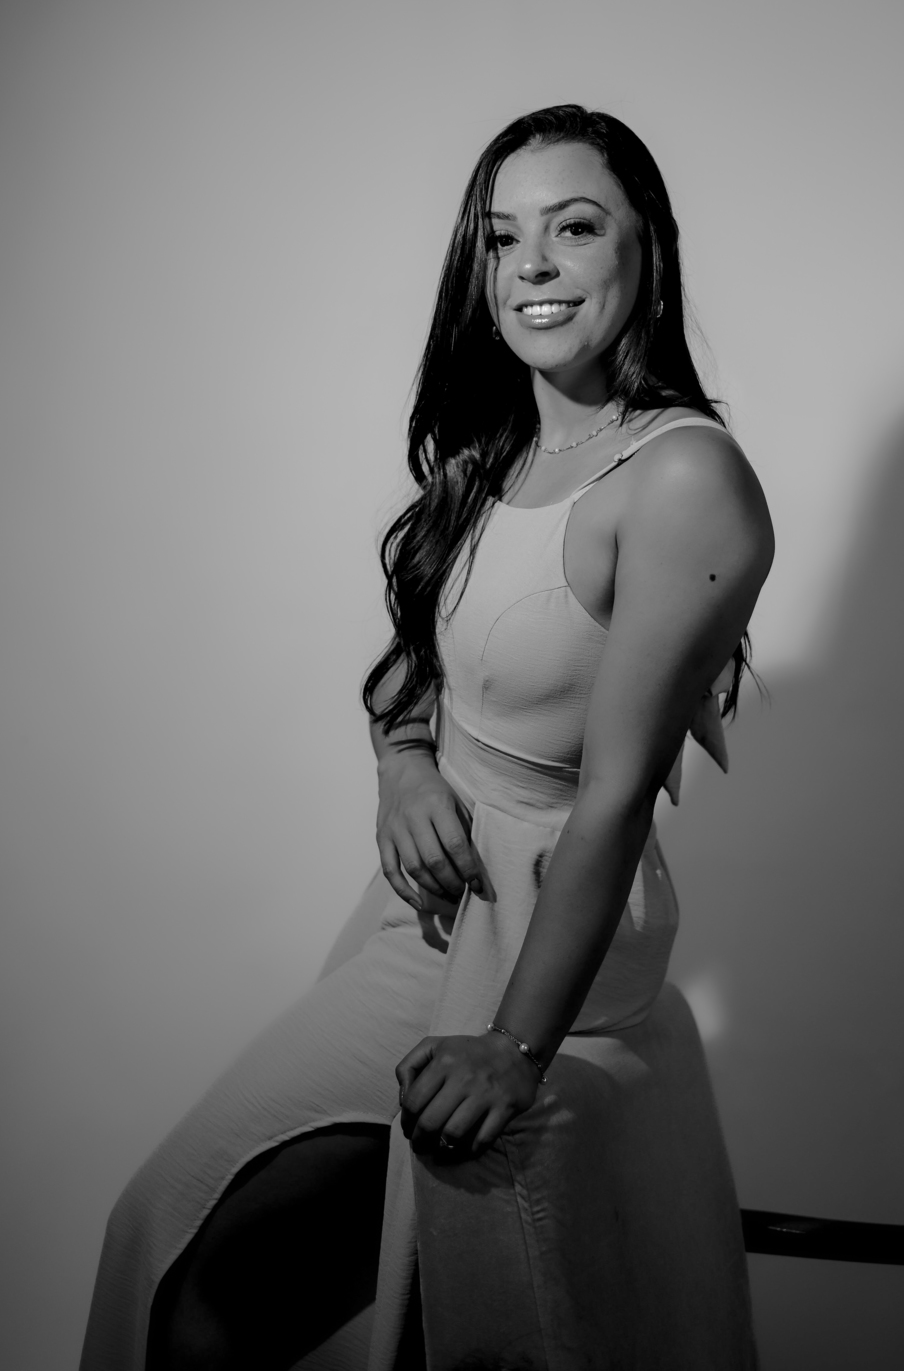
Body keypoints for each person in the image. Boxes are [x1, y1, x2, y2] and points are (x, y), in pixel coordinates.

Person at [80, 104, 774, 1371]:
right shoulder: (495, 446)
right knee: (170, 1234)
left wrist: (513, 1047)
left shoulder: (681, 478)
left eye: (577, 227)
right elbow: (423, 665)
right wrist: (403, 765)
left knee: (322, 1291)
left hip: (551, 922)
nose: (535, 265)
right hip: (424, 914)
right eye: (504, 238)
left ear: (647, 248)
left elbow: (615, 795)